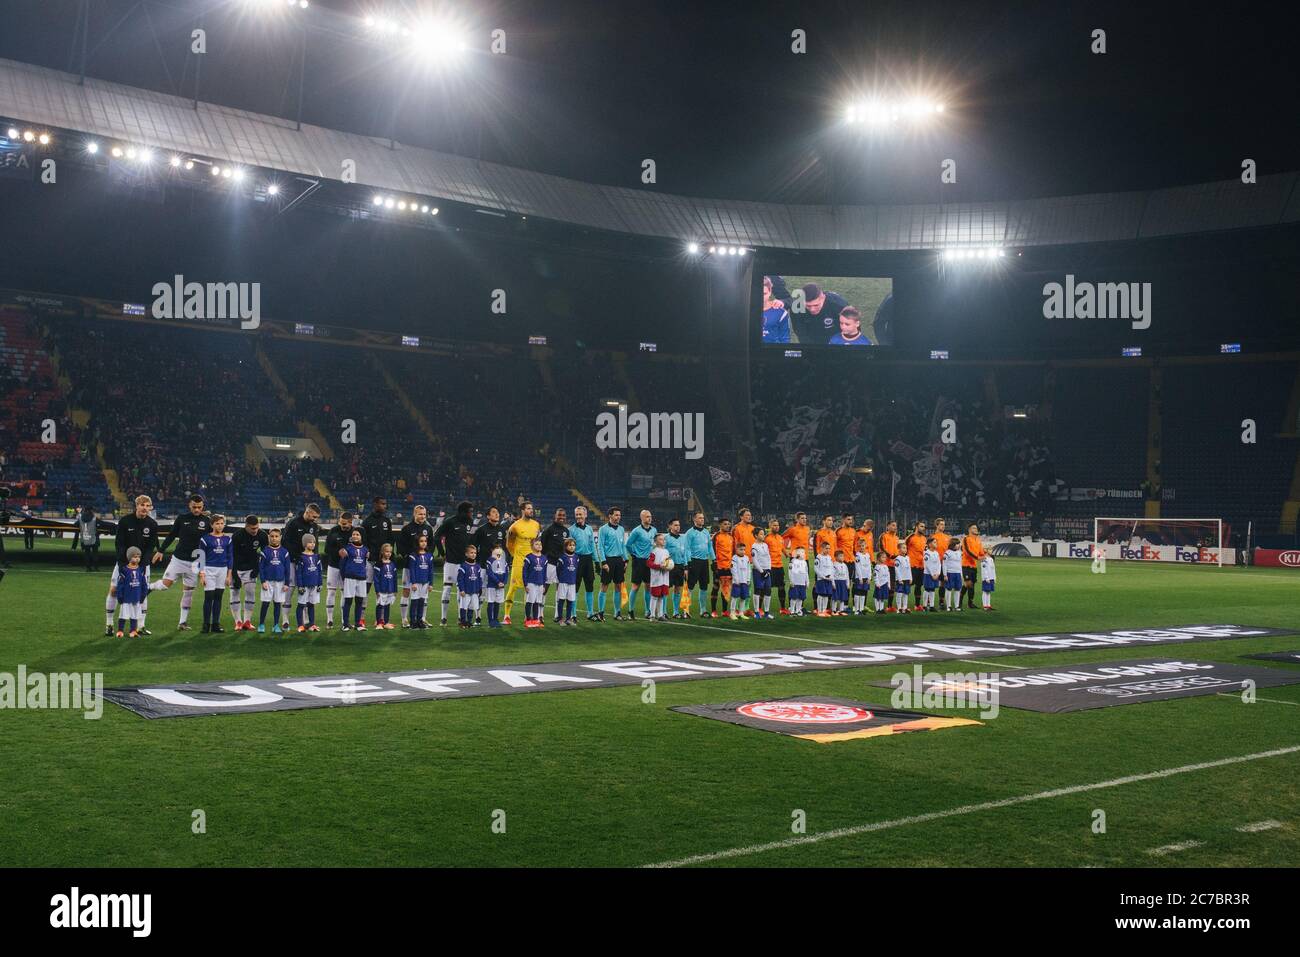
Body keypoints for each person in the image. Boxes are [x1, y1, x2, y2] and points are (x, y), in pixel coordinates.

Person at [150, 493, 212, 630]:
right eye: (194, 507)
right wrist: (161, 550)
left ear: (203, 506)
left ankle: (182, 622)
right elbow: (171, 535)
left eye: (199, 507)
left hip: (195, 562)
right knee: (165, 585)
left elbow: (210, 541)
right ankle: (149, 587)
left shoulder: (207, 521)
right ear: (189, 505)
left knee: (189, 591)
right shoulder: (182, 518)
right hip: (178, 559)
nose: (197, 510)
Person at [105, 494, 161, 637]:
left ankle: (141, 626)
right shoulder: (125, 521)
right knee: (113, 590)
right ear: (136, 506)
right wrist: (124, 565)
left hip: (142, 566)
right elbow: (120, 544)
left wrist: (142, 565)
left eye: (148, 506)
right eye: (142, 505)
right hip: (124, 564)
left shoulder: (153, 525)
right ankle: (109, 624)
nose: (145, 508)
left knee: (142, 593)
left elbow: (150, 548)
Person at [433, 500, 475, 627]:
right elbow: (436, 536)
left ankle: (460, 618)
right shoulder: (450, 522)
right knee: (447, 588)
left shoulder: (469, 523)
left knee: (461, 590)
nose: (471, 514)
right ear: (464, 512)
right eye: (470, 512)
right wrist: (442, 553)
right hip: (451, 562)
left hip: (464, 563)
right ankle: (443, 618)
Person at [397, 505, 436, 627]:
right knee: (406, 591)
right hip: (410, 566)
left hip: (423, 566)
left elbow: (431, 544)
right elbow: (400, 545)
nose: (422, 516)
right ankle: (404, 619)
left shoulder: (428, 529)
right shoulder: (407, 528)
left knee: (424, 593)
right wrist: (407, 556)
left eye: (424, 514)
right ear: (414, 514)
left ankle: (422, 618)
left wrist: (428, 555)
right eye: (420, 514)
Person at [504, 502, 540, 624]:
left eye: (532, 508)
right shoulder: (515, 526)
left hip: (532, 563)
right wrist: (516, 555)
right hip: (519, 562)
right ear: (523, 510)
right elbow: (509, 544)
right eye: (529, 508)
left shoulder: (536, 525)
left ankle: (527, 617)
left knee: (529, 589)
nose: (531, 510)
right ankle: (507, 616)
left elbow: (535, 542)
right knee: (513, 587)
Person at [230, 514, 268, 631]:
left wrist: (257, 569)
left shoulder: (262, 535)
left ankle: (247, 621)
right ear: (246, 526)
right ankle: (238, 622)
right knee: (234, 593)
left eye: (257, 527)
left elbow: (265, 555)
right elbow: (232, 556)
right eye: (252, 528)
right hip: (237, 568)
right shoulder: (237, 536)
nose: (255, 530)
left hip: (251, 568)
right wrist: (234, 574)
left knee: (250, 593)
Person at [197, 514, 233, 633]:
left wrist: (229, 575)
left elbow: (230, 558)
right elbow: (201, 557)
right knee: (209, 597)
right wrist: (202, 574)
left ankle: (216, 624)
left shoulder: (228, 539)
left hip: (222, 570)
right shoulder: (205, 539)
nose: (220, 526)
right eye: (217, 523)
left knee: (218, 597)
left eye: (222, 523)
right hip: (209, 569)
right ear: (212, 524)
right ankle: (206, 624)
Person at [324, 512, 357, 630]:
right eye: (341, 523)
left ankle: (345, 620)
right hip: (333, 566)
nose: (342, 526)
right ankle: (329, 620)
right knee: (331, 592)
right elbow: (327, 549)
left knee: (345, 593)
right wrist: (338, 551)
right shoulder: (333, 531)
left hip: (348, 568)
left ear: (351, 522)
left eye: (345, 524)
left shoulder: (355, 532)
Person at [538, 508, 571, 623]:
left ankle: (558, 615)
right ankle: (540, 615)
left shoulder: (566, 531)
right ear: (555, 516)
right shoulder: (548, 530)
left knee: (560, 590)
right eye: (559, 515)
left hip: (561, 565)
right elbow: (542, 547)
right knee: (544, 588)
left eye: (563, 515)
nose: (561, 517)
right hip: (550, 564)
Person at [595, 507, 627, 621]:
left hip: (619, 560)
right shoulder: (603, 529)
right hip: (608, 560)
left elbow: (623, 546)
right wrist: (603, 562)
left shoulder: (621, 529)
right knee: (604, 586)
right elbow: (600, 547)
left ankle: (617, 613)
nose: (618, 517)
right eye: (616, 515)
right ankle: (600, 612)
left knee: (618, 586)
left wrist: (626, 560)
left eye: (619, 515)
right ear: (610, 516)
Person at [567, 505, 599, 621]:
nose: (578, 516)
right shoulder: (571, 530)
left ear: (585, 515)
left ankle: (590, 613)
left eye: (580, 514)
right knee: (574, 587)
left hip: (588, 560)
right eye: (577, 514)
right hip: (576, 560)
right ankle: (573, 614)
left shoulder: (590, 529)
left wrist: (596, 562)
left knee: (589, 587)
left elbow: (592, 546)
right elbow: (568, 548)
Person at [625, 509, 657, 620]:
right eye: (647, 516)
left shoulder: (654, 530)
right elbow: (628, 544)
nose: (650, 518)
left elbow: (654, 544)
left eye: (650, 516)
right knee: (635, 586)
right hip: (638, 561)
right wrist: (634, 554)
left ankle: (648, 611)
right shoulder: (636, 531)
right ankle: (630, 611)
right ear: (642, 518)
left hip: (649, 562)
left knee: (648, 586)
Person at [258, 527, 290, 634]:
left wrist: (286, 583)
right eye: (272, 536)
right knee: (265, 603)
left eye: (276, 536)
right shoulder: (265, 551)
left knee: (277, 604)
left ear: (280, 538)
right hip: (268, 582)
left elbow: (287, 569)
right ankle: (261, 624)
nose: (274, 538)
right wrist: (263, 581)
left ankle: (276, 625)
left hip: (280, 583)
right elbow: (261, 568)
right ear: (268, 537)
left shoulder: (284, 552)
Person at [283, 502, 323, 589]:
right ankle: (287, 603)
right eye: (314, 517)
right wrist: (295, 557)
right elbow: (285, 542)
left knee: (307, 585)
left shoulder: (315, 526)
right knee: (290, 585)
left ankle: (304, 603)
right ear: (307, 512)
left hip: (308, 561)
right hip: (293, 561)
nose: (315, 519)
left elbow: (315, 544)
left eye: (317, 517)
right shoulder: (293, 523)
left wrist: (315, 557)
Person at [683, 511, 713, 620]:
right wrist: (687, 563)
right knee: (690, 587)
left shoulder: (706, 532)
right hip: (694, 562)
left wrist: (713, 560)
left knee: (704, 587)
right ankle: (686, 610)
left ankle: (703, 610)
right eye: (700, 518)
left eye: (703, 518)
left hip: (704, 562)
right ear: (694, 520)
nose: (702, 520)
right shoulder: (689, 533)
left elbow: (710, 548)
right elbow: (686, 549)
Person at [114, 547, 148, 638]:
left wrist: (143, 596)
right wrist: (120, 596)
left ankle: (133, 631)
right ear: (129, 557)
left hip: (136, 598)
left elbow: (144, 585)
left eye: (138, 556)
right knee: (123, 615)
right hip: (126, 598)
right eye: (135, 556)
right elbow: (120, 585)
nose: (137, 558)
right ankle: (120, 631)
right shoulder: (124, 570)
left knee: (134, 615)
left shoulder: (140, 570)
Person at [361, 497, 393, 593]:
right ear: (375, 504)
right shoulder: (367, 521)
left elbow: (390, 539)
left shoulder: (387, 521)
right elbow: (363, 541)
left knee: (382, 586)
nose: (384, 506)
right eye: (382, 504)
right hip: (370, 560)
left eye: (385, 504)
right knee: (366, 586)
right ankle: (362, 607)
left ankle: (381, 607)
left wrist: (389, 555)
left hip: (383, 560)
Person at [339, 528, 369, 632]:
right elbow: (342, 564)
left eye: (357, 534)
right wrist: (344, 577)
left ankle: (358, 624)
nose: (355, 536)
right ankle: (345, 624)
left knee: (359, 602)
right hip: (350, 577)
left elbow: (364, 564)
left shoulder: (365, 550)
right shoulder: (347, 548)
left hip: (361, 578)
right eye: (353, 534)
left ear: (362, 537)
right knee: (348, 601)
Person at [295, 534, 323, 633]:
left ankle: (312, 624)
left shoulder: (316, 556)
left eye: (314, 542)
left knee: (311, 604)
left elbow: (320, 571)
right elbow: (298, 573)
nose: (312, 544)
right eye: (310, 542)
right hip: (305, 585)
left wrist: (320, 583)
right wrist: (300, 585)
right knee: (301, 605)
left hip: (314, 584)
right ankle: (300, 625)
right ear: (305, 543)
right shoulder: (301, 557)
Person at [407, 534, 434, 630]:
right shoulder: (413, 555)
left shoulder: (429, 555)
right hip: (416, 583)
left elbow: (431, 570)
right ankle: (413, 622)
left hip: (425, 583)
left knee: (422, 602)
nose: (424, 543)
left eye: (425, 541)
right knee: (414, 602)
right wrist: (413, 582)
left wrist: (431, 583)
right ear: (417, 543)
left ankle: (420, 620)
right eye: (421, 541)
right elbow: (412, 570)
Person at [664, 518, 690, 619]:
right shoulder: (666, 538)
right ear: (670, 526)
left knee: (678, 589)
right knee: (666, 589)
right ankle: (664, 611)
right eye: (675, 525)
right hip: (670, 567)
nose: (677, 527)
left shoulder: (683, 538)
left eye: (678, 525)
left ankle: (675, 612)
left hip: (680, 567)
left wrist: (686, 567)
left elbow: (685, 553)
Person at [709, 517, 734, 618]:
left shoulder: (731, 537)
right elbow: (712, 550)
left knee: (726, 589)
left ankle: (724, 611)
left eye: (728, 524)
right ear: (720, 525)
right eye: (725, 524)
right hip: (719, 567)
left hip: (728, 567)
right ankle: (714, 611)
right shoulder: (716, 536)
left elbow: (732, 552)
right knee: (715, 588)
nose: (727, 526)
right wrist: (715, 563)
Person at [522, 537, 549, 629]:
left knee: (537, 602)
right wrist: (525, 584)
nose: (539, 546)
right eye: (536, 544)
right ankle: (528, 620)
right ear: (532, 546)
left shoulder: (544, 558)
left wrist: (544, 584)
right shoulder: (529, 557)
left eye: (540, 544)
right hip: (531, 583)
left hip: (540, 583)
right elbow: (524, 571)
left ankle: (535, 620)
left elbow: (545, 572)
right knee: (530, 601)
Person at [456, 544, 484, 629]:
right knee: (464, 606)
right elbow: (460, 579)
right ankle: (462, 621)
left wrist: (480, 588)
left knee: (472, 606)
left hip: (474, 590)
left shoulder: (477, 566)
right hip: (466, 591)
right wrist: (462, 590)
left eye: (475, 553)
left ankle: (469, 621)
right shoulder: (463, 566)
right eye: (471, 553)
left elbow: (479, 578)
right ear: (466, 554)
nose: (473, 554)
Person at [763, 519, 788, 615]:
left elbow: (782, 548)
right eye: (774, 525)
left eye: (777, 525)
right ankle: (763, 609)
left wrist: (786, 554)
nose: (776, 527)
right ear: (770, 526)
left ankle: (782, 608)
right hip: (770, 566)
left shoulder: (780, 538)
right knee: (767, 588)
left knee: (781, 587)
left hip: (779, 566)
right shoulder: (767, 538)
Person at [371, 543, 398, 630]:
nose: (388, 553)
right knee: (380, 605)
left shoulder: (392, 564)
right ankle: (379, 623)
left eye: (390, 552)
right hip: (382, 589)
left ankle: (386, 622)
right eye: (387, 551)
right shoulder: (379, 564)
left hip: (390, 589)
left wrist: (395, 590)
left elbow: (394, 578)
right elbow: (376, 579)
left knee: (387, 606)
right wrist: (377, 590)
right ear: (382, 552)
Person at [646, 533, 672, 622]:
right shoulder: (654, 551)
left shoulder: (666, 551)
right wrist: (658, 566)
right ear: (656, 542)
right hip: (656, 578)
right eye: (660, 539)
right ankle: (652, 615)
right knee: (654, 596)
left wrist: (670, 566)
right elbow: (649, 563)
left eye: (664, 539)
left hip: (665, 577)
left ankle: (660, 615)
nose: (663, 540)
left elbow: (668, 563)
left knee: (661, 596)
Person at [554, 538, 580, 625]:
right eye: (570, 545)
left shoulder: (576, 557)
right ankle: (560, 619)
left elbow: (576, 569)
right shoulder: (562, 558)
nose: (572, 547)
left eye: (573, 545)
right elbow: (558, 570)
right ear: (566, 546)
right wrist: (561, 579)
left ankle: (568, 619)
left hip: (572, 582)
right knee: (561, 600)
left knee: (570, 600)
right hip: (563, 582)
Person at [961, 524, 986, 610]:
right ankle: (960, 601)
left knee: (971, 585)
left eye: (976, 528)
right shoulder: (966, 539)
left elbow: (981, 552)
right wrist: (978, 557)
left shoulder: (978, 540)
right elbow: (967, 551)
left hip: (974, 566)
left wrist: (985, 555)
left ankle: (970, 603)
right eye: (973, 528)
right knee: (968, 584)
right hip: (966, 565)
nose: (976, 529)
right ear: (969, 530)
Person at [761, 276, 790, 344]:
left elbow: (784, 339)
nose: (761, 297)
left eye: (764, 294)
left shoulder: (781, 313)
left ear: (770, 291)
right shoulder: (745, 311)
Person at [906, 521, 928, 610]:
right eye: (921, 526)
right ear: (916, 527)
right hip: (912, 565)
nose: (923, 528)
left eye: (924, 526)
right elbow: (904, 548)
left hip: (922, 566)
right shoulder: (910, 537)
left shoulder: (924, 538)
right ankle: (904, 605)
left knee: (919, 585)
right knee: (908, 584)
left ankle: (917, 605)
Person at [485, 547, 508, 629]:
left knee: (497, 602)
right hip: (492, 585)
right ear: (493, 551)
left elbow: (506, 573)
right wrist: (498, 582)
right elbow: (490, 573)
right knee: (491, 602)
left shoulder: (504, 562)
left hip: (501, 586)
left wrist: (504, 582)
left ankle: (495, 619)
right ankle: (490, 620)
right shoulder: (490, 560)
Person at [750, 533, 772, 619]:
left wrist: (769, 569)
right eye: (761, 534)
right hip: (758, 571)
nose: (763, 536)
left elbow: (768, 557)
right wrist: (762, 572)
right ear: (756, 536)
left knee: (768, 590)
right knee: (758, 590)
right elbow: (754, 560)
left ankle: (766, 612)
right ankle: (756, 612)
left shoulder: (765, 545)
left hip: (767, 570)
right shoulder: (754, 547)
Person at [931, 519, 952, 609]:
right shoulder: (932, 537)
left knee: (943, 583)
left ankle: (941, 602)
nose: (943, 526)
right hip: (935, 563)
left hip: (944, 564)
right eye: (941, 524)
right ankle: (929, 602)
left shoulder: (947, 537)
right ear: (936, 525)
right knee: (931, 583)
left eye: (944, 524)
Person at [728, 542, 751, 621]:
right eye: (741, 549)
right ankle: (732, 613)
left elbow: (748, 569)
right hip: (737, 582)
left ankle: (741, 613)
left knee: (743, 597)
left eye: (744, 550)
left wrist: (748, 579)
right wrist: (736, 579)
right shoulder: (734, 558)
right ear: (736, 549)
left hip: (744, 581)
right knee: (735, 597)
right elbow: (733, 569)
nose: (743, 551)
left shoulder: (747, 558)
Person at [813, 542, 834, 616]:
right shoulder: (818, 557)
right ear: (822, 548)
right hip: (821, 579)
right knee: (821, 595)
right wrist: (822, 576)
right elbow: (816, 569)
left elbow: (832, 568)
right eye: (826, 548)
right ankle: (819, 610)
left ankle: (824, 610)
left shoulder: (829, 557)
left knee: (826, 595)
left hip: (828, 579)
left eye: (829, 548)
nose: (828, 550)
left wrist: (831, 576)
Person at [943, 538, 964, 611]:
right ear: (953, 545)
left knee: (958, 589)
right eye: (957, 544)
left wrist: (961, 575)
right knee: (949, 589)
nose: (959, 545)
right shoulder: (947, 553)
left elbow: (960, 564)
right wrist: (945, 574)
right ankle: (948, 606)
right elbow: (944, 564)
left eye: (959, 544)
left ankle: (957, 606)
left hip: (957, 573)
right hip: (950, 573)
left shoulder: (960, 553)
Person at [787, 547, 809, 616]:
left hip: (802, 583)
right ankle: (792, 610)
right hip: (795, 583)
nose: (804, 554)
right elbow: (790, 572)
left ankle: (798, 610)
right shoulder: (793, 561)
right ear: (797, 554)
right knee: (794, 597)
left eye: (804, 552)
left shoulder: (805, 562)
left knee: (800, 598)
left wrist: (807, 581)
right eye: (802, 552)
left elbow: (806, 572)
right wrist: (791, 581)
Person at [923, 537, 942, 611]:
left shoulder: (936, 553)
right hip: (928, 574)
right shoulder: (927, 553)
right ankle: (924, 606)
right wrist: (932, 574)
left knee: (933, 589)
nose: (936, 543)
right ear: (929, 544)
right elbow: (928, 565)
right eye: (934, 542)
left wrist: (938, 573)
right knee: (927, 589)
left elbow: (939, 564)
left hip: (935, 575)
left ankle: (931, 606)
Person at [853, 543, 873, 615]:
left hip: (866, 577)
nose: (861, 547)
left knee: (863, 593)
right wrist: (860, 578)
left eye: (863, 546)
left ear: (865, 546)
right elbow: (857, 567)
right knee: (858, 593)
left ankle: (861, 609)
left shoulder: (867, 555)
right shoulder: (857, 556)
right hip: (859, 577)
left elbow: (869, 567)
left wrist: (869, 577)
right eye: (860, 546)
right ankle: (856, 609)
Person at [78, 505, 99, 572]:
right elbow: (102, 523)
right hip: (94, 538)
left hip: (85, 538)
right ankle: (95, 567)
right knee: (95, 553)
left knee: (87, 553)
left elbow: (76, 524)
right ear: (91, 510)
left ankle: (88, 567)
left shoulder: (81, 517)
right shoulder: (94, 518)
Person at [893, 547, 912, 613]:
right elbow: (897, 570)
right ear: (899, 550)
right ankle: (899, 608)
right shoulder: (897, 559)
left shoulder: (907, 558)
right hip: (900, 579)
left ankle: (905, 607)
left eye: (906, 548)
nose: (905, 549)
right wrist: (899, 579)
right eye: (903, 548)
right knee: (899, 593)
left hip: (907, 578)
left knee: (906, 593)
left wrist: (910, 578)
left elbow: (909, 568)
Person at [832, 549, 850, 616]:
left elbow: (847, 575)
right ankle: (834, 610)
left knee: (842, 597)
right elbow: (832, 575)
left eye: (842, 556)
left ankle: (841, 610)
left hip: (843, 583)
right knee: (835, 597)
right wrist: (833, 583)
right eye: (840, 556)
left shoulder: (845, 565)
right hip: (837, 582)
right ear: (836, 557)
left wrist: (847, 583)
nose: (842, 558)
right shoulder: (834, 565)